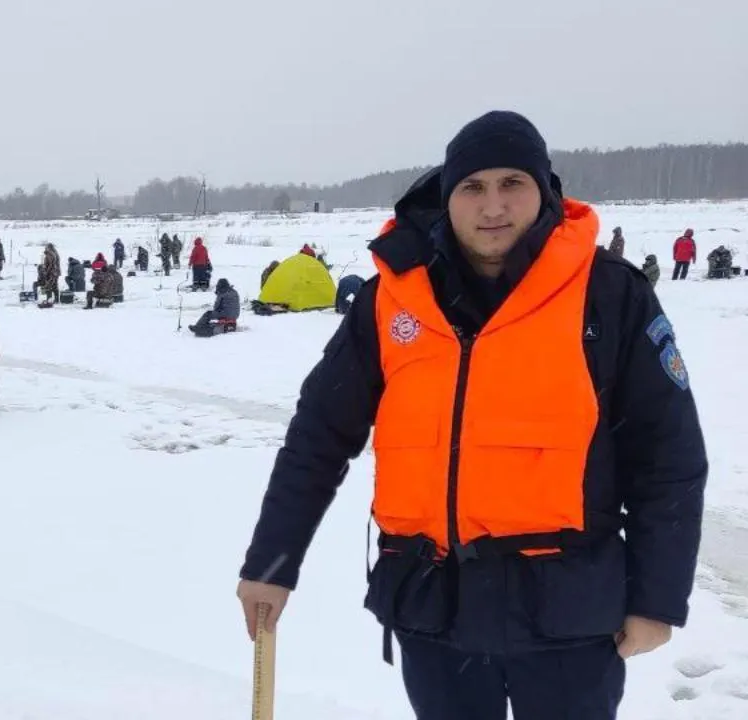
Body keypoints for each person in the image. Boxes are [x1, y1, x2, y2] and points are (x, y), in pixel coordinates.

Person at [236, 111, 708, 720]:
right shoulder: (391, 300)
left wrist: (657, 600)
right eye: (473, 187)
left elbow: (667, 455)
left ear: (545, 191)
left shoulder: (608, 294)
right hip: (435, 613)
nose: (493, 206)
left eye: (512, 183)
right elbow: (317, 438)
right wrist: (272, 564)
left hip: (566, 617)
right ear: (447, 193)